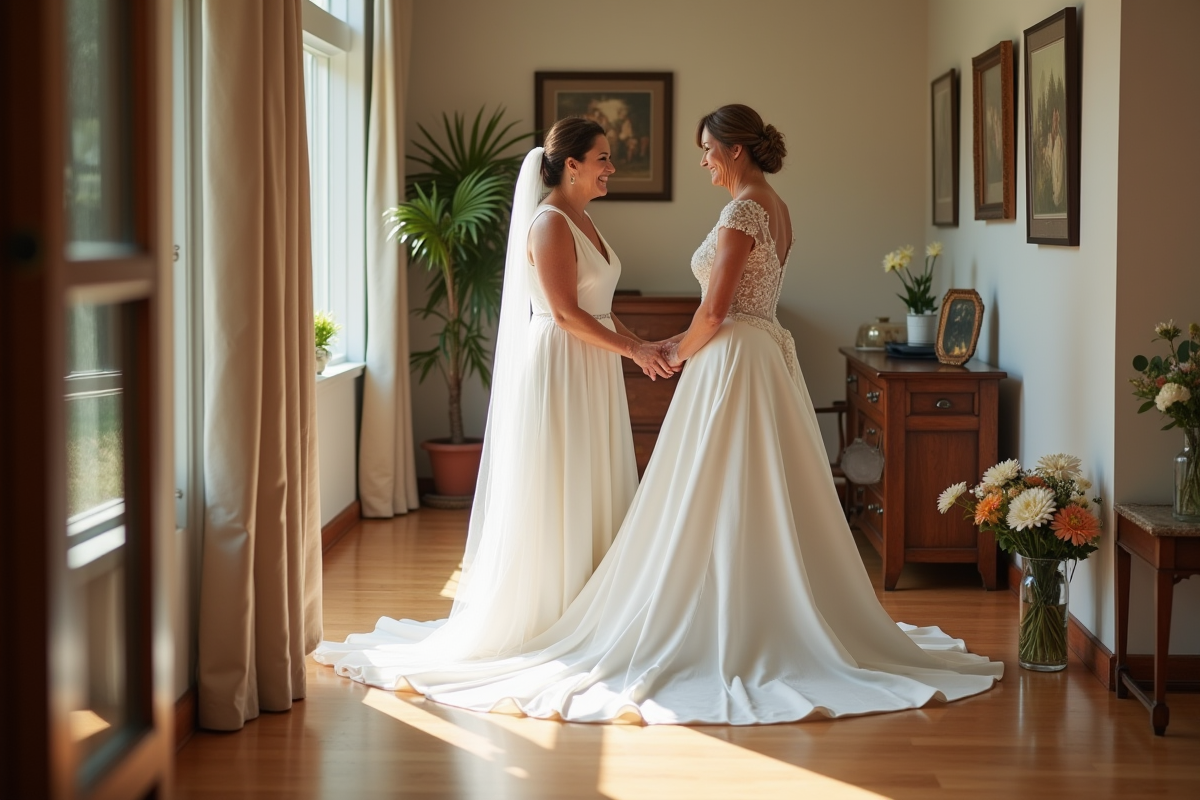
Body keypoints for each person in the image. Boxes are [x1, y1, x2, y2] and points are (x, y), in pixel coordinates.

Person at [372, 105, 1003, 725]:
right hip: (760, 353)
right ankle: (753, 602)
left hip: (733, 356)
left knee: (710, 486)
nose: (702, 160)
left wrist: (670, 348)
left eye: (706, 149)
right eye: (603, 158)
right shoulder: (776, 209)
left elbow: (715, 311)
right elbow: (595, 308)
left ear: (734, 149)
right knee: (750, 488)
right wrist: (650, 348)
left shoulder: (743, 210)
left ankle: (723, 609)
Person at [313, 118, 672, 682]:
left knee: (592, 477)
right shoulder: (551, 223)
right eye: (602, 158)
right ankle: (553, 610)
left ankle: (594, 604)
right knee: (562, 479)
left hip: (592, 366)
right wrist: (632, 350)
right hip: (561, 365)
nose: (611, 167)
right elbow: (563, 314)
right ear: (571, 165)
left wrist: (638, 345)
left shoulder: (584, 219)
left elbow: (596, 306)